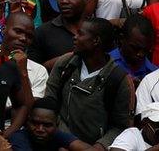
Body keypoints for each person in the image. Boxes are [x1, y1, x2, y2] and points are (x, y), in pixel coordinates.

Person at [44, 17, 135, 148]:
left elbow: (121, 127)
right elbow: (49, 105)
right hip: (60, 142)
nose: (74, 37)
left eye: (80, 34)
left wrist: (98, 147)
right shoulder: (65, 64)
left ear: (96, 41)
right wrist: (66, 141)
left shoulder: (119, 79)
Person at [29, 0, 90, 68]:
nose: (64, 1)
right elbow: (32, 72)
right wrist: (60, 62)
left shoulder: (98, 29)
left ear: (86, 0)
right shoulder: (42, 33)